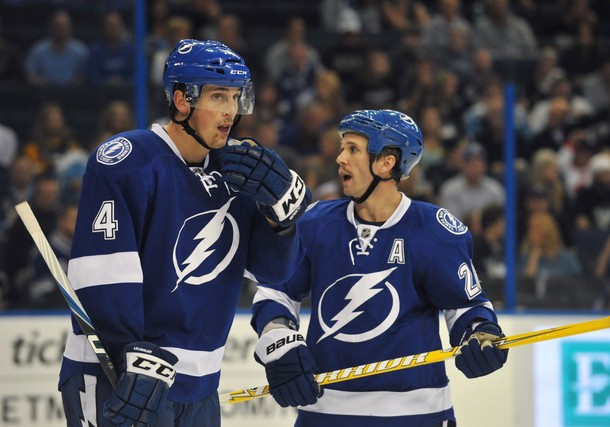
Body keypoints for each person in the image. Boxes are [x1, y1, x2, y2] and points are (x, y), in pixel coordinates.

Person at [59, 39, 310, 427]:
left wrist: (281, 221)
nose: (230, 111)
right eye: (218, 96)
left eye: (236, 97)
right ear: (181, 101)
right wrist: (128, 353)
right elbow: (102, 273)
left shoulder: (237, 171)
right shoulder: (128, 160)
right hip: (119, 374)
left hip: (200, 387)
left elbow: (274, 272)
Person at [251, 109, 508, 426]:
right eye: (342, 148)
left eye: (353, 149)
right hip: (325, 412)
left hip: (416, 414)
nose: (340, 159)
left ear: (386, 163)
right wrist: (279, 342)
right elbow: (276, 291)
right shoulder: (315, 223)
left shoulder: (433, 230)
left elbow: (465, 307)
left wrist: (480, 334)